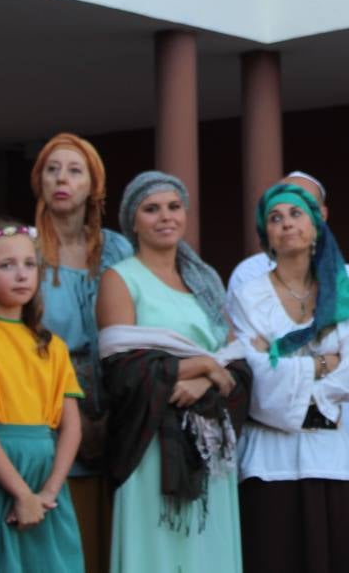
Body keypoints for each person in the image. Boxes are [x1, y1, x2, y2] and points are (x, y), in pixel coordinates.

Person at [227, 169, 349, 571]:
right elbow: (255, 376)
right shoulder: (250, 294)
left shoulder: (346, 291)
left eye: (296, 213)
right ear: (266, 234)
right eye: (275, 217)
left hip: (332, 454)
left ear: (316, 225)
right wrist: (322, 362)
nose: (286, 223)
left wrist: (289, 366)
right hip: (267, 459)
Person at [97, 171, 248, 573]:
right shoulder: (120, 278)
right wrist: (198, 364)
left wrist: (203, 378)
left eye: (174, 207)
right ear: (133, 220)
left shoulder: (206, 281)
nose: (165, 217)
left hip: (208, 442)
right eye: (151, 209)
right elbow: (120, 368)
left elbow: (233, 360)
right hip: (150, 442)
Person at [0, 221, 85, 573]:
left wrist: (49, 491)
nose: (21, 274)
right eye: (6, 265)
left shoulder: (52, 346)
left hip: (46, 473)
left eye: (29, 264)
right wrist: (21, 494)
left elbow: (71, 427)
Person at [30, 133, 132, 573]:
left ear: (94, 184)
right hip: (48, 401)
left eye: (74, 170)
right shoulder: (25, 250)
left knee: (111, 532)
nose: (62, 179)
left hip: (114, 398)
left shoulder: (116, 248)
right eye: (52, 170)